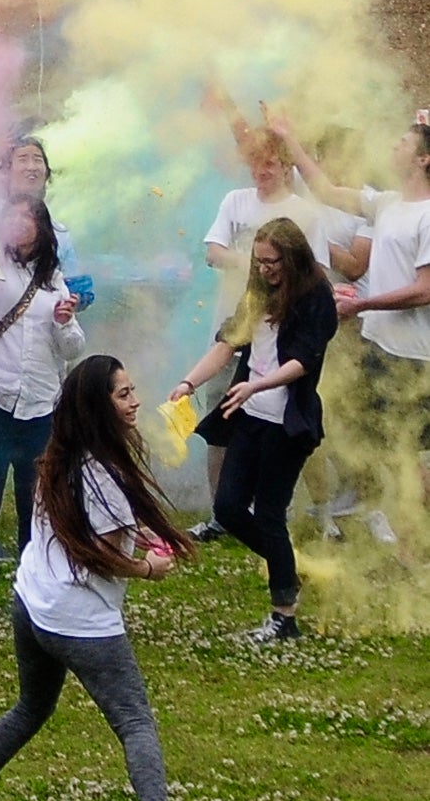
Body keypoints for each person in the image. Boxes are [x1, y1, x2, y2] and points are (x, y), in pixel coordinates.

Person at [0, 355, 208, 801]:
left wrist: (142, 535)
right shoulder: (104, 474)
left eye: (132, 390)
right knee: (135, 722)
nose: (134, 401)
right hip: (79, 620)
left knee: (31, 707)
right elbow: (99, 554)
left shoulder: (59, 457)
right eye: (123, 394)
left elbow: (84, 533)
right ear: (97, 406)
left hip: (32, 604)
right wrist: (148, 568)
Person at [175, 215, 335, 642]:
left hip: (287, 421)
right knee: (227, 508)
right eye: (259, 261)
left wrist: (257, 385)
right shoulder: (257, 293)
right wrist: (188, 383)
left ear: (293, 258)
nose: (264, 269)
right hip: (248, 416)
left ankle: (284, 618)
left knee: (268, 513)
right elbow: (226, 346)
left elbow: (304, 361)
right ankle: (288, 567)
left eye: (273, 262)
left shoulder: (317, 296)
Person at [286, 114, 430, 543]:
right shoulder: (386, 203)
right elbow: (325, 191)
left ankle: (411, 542)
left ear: (424, 159)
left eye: (403, 142)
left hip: (413, 357)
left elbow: (425, 290)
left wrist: (363, 302)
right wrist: (287, 134)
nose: (393, 147)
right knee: (382, 448)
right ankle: (398, 538)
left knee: (406, 456)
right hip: (378, 346)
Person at [0, 196, 88, 618]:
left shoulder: (55, 280)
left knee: (37, 503)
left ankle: (31, 589)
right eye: (11, 215)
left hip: (39, 402)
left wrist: (65, 321)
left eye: (28, 217)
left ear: (43, 227)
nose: (18, 223)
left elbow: (73, 348)